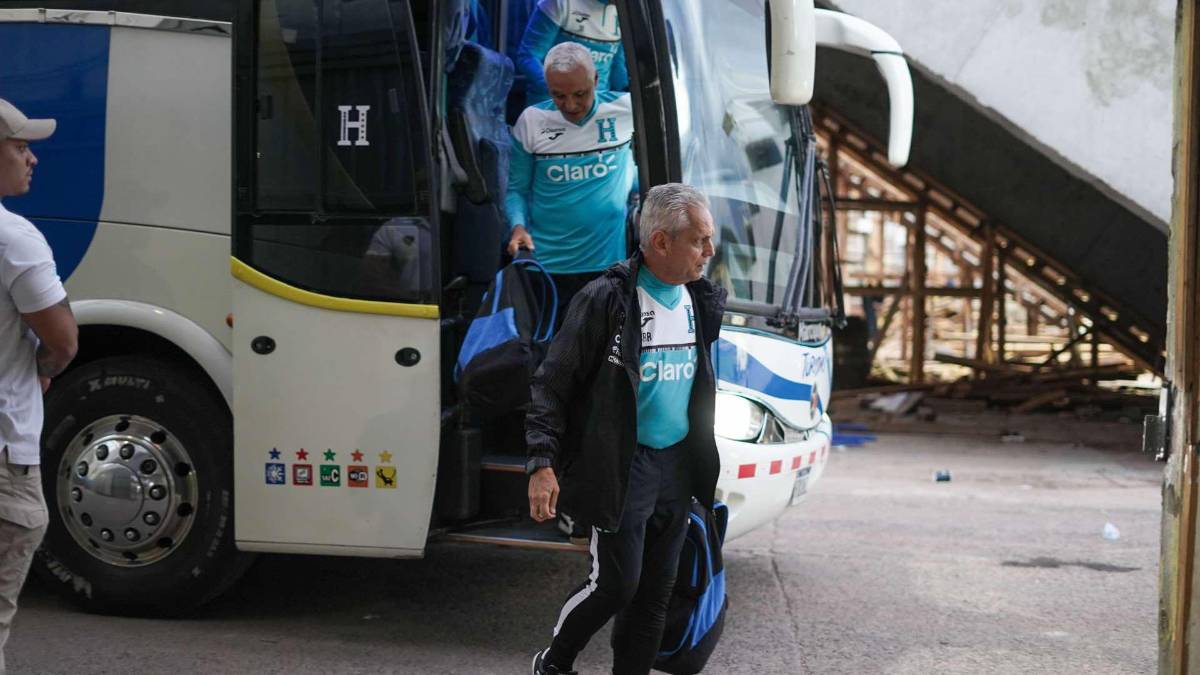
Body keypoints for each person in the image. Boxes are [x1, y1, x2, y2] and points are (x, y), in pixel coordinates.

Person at [525, 184, 726, 675]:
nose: (709, 251)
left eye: (709, 239)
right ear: (661, 242)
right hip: (622, 464)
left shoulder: (699, 299)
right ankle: (554, 663)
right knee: (616, 586)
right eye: (699, 240)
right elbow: (552, 383)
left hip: (676, 466)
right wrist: (541, 463)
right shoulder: (607, 299)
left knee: (656, 594)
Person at [0, 99, 78, 673]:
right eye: (21, 146)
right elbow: (63, 341)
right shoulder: (13, 240)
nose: (33, 159)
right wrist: (45, 369)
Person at [505, 41, 636, 323]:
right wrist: (517, 226)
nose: (571, 105)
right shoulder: (531, 121)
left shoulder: (627, 111)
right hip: (546, 269)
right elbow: (516, 189)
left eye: (580, 94)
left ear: (596, 80)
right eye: (558, 95)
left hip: (606, 268)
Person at [515, 0, 627, 107]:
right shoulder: (559, 3)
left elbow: (617, 66)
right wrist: (559, 92)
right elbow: (528, 56)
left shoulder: (626, 11)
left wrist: (627, 94)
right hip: (550, 105)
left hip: (598, 106)